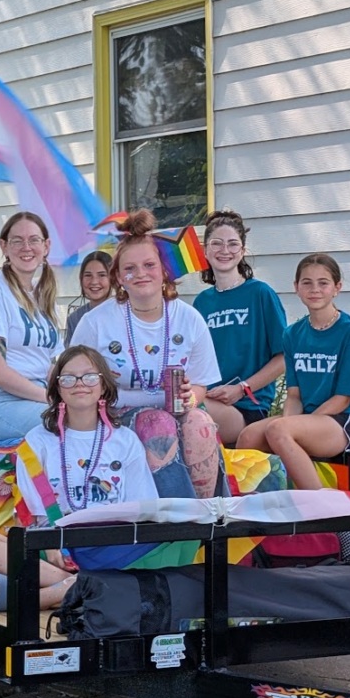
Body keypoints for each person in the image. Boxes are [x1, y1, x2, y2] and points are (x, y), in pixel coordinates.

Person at [0, 345, 157, 611]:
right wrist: (53, 542)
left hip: (112, 544)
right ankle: (78, 587)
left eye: (90, 376)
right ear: (57, 389)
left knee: (182, 538)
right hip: (56, 547)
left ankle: (47, 595)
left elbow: (143, 508)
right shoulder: (37, 441)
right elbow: (36, 513)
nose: (80, 384)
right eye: (68, 378)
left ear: (104, 385)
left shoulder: (126, 440)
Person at [70, 209, 223, 499]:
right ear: (118, 276)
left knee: (200, 423)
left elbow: (202, 384)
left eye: (149, 265)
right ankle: (176, 522)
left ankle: (208, 517)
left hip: (177, 411)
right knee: (157, 424)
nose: (140, 274)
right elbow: (71, 376)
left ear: (165, 270)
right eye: (130, 268)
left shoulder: (189, 319)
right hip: (117, 416)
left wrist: (192, 397)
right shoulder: (96, 323)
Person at [236, 253, 350, 489]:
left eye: (323, 283)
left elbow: (343, 399)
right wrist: (291, 424)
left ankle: (318, 510)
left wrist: (291, 427)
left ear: (337, 288)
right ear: (296, 288)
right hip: (307, 416)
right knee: (248, 436)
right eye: (306, 282)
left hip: (343, 420)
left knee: (278, 429)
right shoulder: (292, 334)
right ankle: (267, 507)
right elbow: (294, 396)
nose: (315, 289)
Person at [0, 212, 63, 442]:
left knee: (93, 417)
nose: (26, 247)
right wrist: (50, 398)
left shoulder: (43, 296)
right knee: (70, 423)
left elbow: (47, 364)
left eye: (34, 240)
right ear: (4, 247)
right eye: (17, 240)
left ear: (46, 246)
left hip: (35, 397)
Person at [193, 210, 287, 445]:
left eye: (233, 244)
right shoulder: (201, 303)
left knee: (189, 412)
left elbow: (285, 357)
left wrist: (241, 389)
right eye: (217, 243)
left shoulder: (260, 294)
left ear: (242, 251)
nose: (225, 251)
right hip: (209, 398)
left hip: (246, 407)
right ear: (205, 250)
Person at [64, 250, 112, 342]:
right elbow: (70, 354)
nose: (94, 281)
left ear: (113, 278)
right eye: (88, 275)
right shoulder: (75, 318)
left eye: (102, 275)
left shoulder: (125, 313)